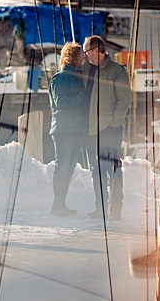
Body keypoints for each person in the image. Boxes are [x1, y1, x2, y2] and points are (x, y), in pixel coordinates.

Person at [82, 35, 132, 220]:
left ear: (96, 50)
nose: (85, 55)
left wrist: (114, 123)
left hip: (109, 129)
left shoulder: (116, 71)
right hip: (90, 129)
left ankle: (116, 210)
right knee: (96, 171)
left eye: (86, 51)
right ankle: (100, 208)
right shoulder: (86, 69)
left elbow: (125, 98)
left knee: (113, 169)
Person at [48, 41, 86, 218]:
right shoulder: (60, 78)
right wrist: (82, 96)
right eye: (80, 55)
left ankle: (60, 204)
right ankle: (58, 205)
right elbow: (60, 103)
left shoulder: (78, 75)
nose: (83, 58)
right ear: (73, 57)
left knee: (69, 168)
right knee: (63, 167)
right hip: (64, 130)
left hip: (76, 129)